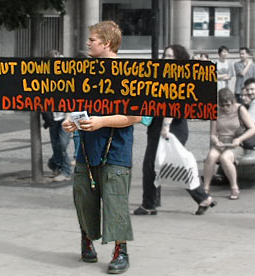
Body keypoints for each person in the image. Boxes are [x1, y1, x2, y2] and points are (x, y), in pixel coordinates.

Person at [61, 21, 139, 274]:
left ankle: (120, 251)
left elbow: (135, 116)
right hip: (86, 148)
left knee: (115, 201)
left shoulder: (129, 73)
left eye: (92, 39)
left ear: (106, 43)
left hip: (116, 150)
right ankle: (87, 239)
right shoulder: (85, 72)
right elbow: (77, 107)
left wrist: (102, 121)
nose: (88, 43)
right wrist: (71, 121)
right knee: (84, 198)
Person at [133, 44, 193, 216]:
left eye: (170, 56)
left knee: (155, 165)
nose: (166, 59)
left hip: (169, 128)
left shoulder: (176, 79)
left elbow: (171, 105)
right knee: (159, 166)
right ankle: (152, 201)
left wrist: (165, 127)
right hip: (160, 127)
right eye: (165, 55)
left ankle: (149, 205)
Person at [201, 88, 255, 201]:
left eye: (228, 105)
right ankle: (205, 188)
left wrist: (239, 139)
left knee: (225, 158)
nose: (225, 108)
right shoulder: (215, 111)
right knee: (211, 157)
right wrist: (216, 142)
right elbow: (212, 134)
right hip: (221, 142)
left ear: (233, 101)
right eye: (222, 106)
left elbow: (253, 129)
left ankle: (234, 187)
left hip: (236, 143)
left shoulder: (240, 109)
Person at [45, 49, 72, 182]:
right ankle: (56, 164)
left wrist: (68, 117)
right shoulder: (47, 78)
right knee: (56, 145)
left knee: (62, 144)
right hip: (53, 117)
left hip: (66, 117)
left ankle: (65, 170)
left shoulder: (67, 77)